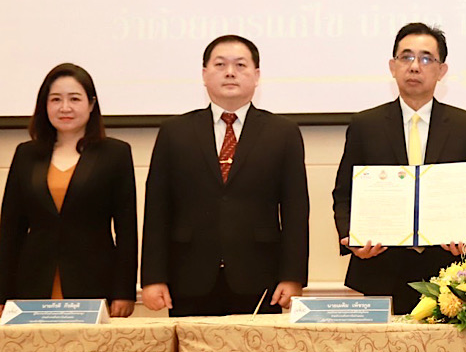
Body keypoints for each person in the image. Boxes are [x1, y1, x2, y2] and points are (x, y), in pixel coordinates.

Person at [333, 23, 466, 314]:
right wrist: (353, 239)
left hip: (447, 272)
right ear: (392, 66)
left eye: (425, 59)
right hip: (378, 268)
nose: (414, 67)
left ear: (441, 70)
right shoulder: (364, 125)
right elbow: (344, 194)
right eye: (406, 57)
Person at [140, 35, 309, 316]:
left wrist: (293, 277)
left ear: (256, 75)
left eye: (240, 65)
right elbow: (157, 210)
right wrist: (153, 277)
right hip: (188, 277)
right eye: (220, 65)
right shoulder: (174, 132)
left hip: (259, 278)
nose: (230, 72)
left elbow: (296, 211)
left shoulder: (283, 133)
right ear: (204, 74)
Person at [0, 63, 137, 317]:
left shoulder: (116, 153)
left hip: (94, 285)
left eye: (74, 99)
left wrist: (124, 292)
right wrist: (2, 293)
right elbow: (10, 231)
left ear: (91, 104)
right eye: (56, 99)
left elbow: (126, 230)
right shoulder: (25, 154)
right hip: (31, 286)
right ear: (44, 105)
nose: (65, 107)